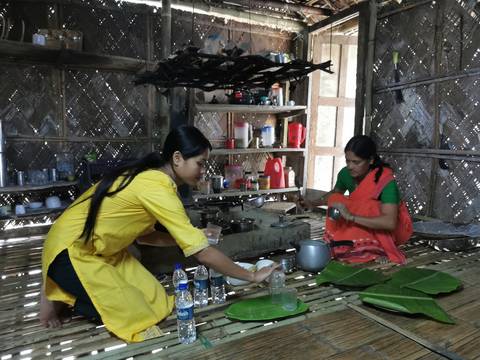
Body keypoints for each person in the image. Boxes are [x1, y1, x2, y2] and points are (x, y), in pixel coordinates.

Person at [39, 126, 278, 342]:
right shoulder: (158, 187)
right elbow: (203, 254)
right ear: (177, 158)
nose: (203, 171)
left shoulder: (153, 180)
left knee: (156, 300)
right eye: (200, 163)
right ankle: (55, 292)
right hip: (70, 251)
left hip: (101, 250)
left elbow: (145, 237)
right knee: (130, 313)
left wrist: (188, 237)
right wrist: (252, 276)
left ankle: (62, 286)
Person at [302, 135, 412, 264]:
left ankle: (376, 250)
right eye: (347, 161)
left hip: (393, 230)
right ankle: (342, 244)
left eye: (356, 162)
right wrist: (312, 204)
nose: (350, 166)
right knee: (336, 199)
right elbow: (335, 194)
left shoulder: (385, 181)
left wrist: (351, 217)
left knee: (370, 205)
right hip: (364, 224)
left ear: (370, 160)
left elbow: (389, 222)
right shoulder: (345, 174)